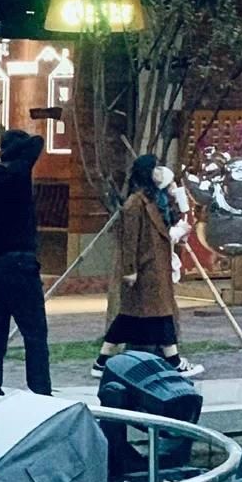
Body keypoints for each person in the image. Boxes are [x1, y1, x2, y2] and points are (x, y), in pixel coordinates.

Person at [94, 157, 202, 380]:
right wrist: (130, 269)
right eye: (155, 168)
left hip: (156, 267)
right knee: (160, 315)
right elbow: (129, 239)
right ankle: (174, 361)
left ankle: (102, 361)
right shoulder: (135, 203)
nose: (160, 172)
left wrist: (175, 194)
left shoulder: (156, 199)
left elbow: (173, 222)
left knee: (131, 318)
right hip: (145, 270)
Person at [0, 129, 51, 397]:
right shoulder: (18, 174)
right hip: (21, 265)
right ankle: (41, 392)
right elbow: (37, 142)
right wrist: (10, 154)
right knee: (35, 334)